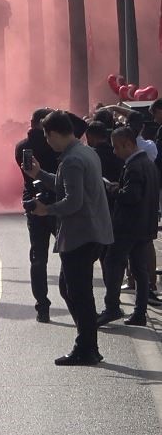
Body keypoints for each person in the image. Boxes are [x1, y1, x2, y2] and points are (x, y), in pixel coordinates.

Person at [24, 110, 114, 366]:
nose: (47, 142)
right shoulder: (86, 152)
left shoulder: (72, 160)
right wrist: (39, 174)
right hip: (91, 231)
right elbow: (67, 186)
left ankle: (86, 346)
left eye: (47, 136)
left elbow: (73, 201)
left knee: (78, 293)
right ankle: (87, 343)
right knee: (71, 288)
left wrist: (47, 210)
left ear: (53, 134)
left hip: (80, 234)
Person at [99, 126, 159, 327]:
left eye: (117, 147)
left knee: (113, 264)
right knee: (140, 270)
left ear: (128, 144)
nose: (115, 152)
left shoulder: (134, 166)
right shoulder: (148, 164)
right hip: (144, 225)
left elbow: (131, 196)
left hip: (128, 227)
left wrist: (112, 188)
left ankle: (112, 307)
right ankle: (140, 312)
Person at [14, 108, 60, 323]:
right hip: (57, 202)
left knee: (38, 258)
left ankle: (42, 307)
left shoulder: (22, 146)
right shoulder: (55, 144)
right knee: (69, 255)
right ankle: (72, 302)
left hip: (36, 203)